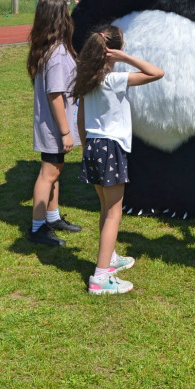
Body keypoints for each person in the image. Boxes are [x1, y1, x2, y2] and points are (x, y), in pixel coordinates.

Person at [73, 25, 164, 295]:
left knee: (105, 208)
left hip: (93, 144)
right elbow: (157, 72)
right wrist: (126, 59)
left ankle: (109, 258)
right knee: (115, 213)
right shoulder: (113, 79)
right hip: (111, 147)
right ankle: (100, 279)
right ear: (113, 50)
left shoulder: (88, 78)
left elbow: (80, 118)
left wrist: (85, 146)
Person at [26, 0, 83, 247]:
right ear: (62, 20)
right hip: (54, 126)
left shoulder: (48, 48)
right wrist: (65, 132)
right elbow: (56, 95)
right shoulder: (58, 54)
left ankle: (53, 216)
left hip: (49, 125)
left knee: (56, 170)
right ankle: (38, 227)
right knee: (48, 174)